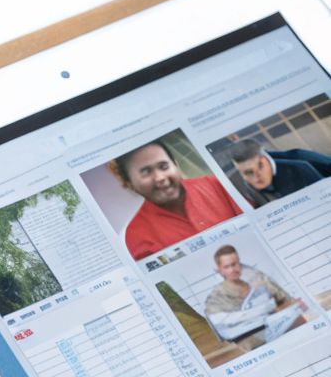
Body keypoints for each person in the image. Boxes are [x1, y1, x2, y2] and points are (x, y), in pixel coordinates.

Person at [113, 139, 242, 259]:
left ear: (176, 165)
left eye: (164, 167)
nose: (160, 177)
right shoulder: (135, 235)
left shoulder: (216, 185)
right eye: (146, 172)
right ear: (129, 183)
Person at [203, 245, 306, 346]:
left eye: (235, 264)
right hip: (248, 341)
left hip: (274, 327)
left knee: (299, 320)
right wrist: (268, 308)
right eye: (226, 267)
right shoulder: (215, 297)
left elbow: (284, 300)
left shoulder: (257, 281)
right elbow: (221, 321)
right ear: (219, 270)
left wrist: (294, 305)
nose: (232, 270)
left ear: (240, 263)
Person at [227, 138, 328, 205]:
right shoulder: (246, 187)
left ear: (265, 158)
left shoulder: (301, 160)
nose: (256, 177)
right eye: (248, 173)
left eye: (260, 166)